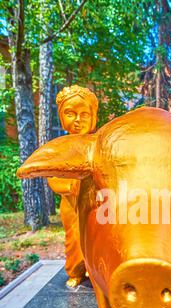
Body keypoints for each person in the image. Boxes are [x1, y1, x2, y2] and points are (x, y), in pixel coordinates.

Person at [48, 85, 98, 287]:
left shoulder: (98, 143)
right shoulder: (60, 147)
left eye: (84, 114)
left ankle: (97, 274)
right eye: (71, 113)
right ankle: (76, 270)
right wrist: (70, 186)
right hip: (72, 206)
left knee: (98, 240)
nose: (78, 120)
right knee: (75, 239)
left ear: (93, 116)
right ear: (62, 117)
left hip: (98, 205)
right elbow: (53, 177)